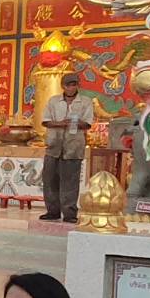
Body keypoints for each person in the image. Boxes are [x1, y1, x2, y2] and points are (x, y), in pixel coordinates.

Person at [40, 72, 94, 223]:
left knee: (70, 181)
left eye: (74, 84)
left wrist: (75, 123)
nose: (71, 88)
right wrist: (61, 123)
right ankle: (52, 211)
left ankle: (70, 213)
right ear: (62, 86)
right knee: (50, 179)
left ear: (78, 85)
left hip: (73, 147)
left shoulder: (85, 102)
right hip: (53, 146)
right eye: (68, 85)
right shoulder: (53, 101)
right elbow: (45, 121)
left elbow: (88, 123)